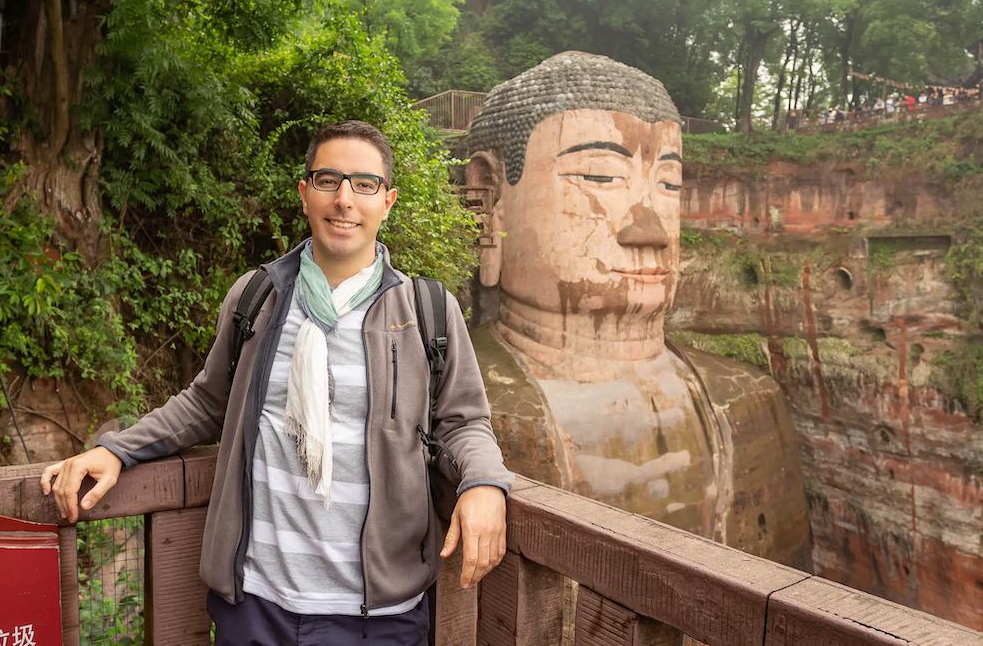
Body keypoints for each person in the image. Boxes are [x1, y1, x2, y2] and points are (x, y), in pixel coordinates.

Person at [41, 120, 514, 645]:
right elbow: (206, 402)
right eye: (328, 180)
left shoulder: (427, 311)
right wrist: (117, 450)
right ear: (304, 194)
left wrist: (484, 482)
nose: (344, 200)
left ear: (388, 201)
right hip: (258, 603)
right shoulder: (257, 298)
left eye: (364, 184)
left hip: (379, 615)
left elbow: (464, 421)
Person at [462, 52, 811, 571]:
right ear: (489, 197)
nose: (649, 228)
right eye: (599, 175)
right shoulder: (461, 402)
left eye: (669, 184)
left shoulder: (746, 402)